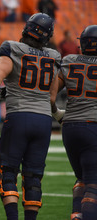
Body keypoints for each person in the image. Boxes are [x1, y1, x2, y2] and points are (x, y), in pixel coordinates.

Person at [0, 13, 61, 220]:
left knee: (9, 172)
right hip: (43, 121)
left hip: (19, 117)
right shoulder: (54, 56)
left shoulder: (13, 48)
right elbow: (51, 98)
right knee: (33, 177)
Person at [51, 25, 97, 220]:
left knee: (81, 179)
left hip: (70, 127)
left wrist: (58, 115)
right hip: (93, 126)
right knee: (94, 184)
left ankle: (77, 214)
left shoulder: (68, 61)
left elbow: (49, 97)